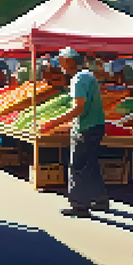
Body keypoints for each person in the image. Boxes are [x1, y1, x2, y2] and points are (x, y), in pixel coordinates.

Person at [40, 48, 108, 217]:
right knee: (90, 164)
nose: (59, 64)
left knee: (77, 166)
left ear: (69, 61)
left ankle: (79, 206)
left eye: (61, 61)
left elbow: (79, 108)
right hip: (96, 125)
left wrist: (52, 123)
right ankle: (100, 199)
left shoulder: (78, 79)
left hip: (85, 128)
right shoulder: (88, 76)